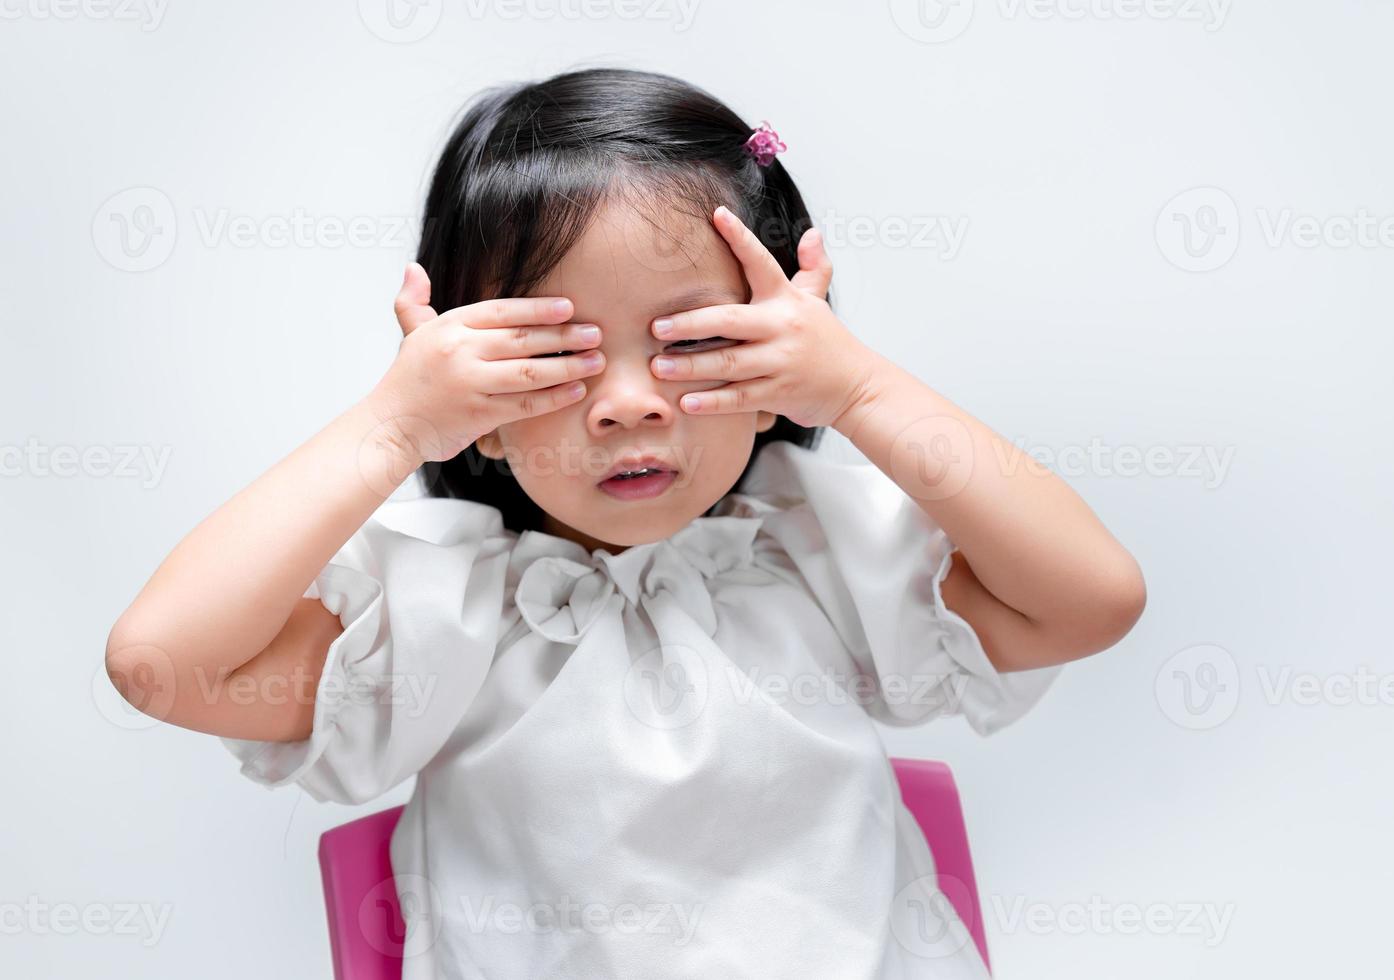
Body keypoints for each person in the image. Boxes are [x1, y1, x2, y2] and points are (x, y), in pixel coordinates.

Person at [105, 66, 1146, 978]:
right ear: (481, 419)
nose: (630, 399)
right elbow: (162, 663)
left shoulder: (817, 561)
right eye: (558, 357)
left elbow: (1093, 598)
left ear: (782, 362)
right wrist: (391, 424)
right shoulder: (445, 621)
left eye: (690, 339)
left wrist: (861, 388)